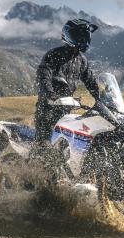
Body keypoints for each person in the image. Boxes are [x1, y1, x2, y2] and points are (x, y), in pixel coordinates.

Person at [33, 18, 101, 151]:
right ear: (69, 36)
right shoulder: (54, 54)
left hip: (66, 110)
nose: (83, 40)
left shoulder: (82, 61)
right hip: (48, 108)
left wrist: (100, 97)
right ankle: (29, 168)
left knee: (70, 145)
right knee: (44, 145)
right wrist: (49, 93)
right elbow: (43, 75)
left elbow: (91, 81)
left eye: (85, 37)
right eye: (79, 36)